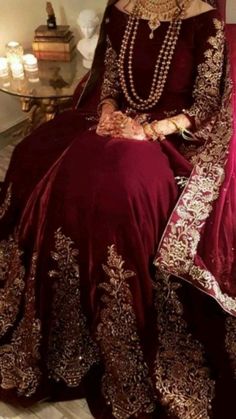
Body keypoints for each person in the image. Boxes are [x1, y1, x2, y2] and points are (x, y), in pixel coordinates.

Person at [0, 0, 235, 418]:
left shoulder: (203, 17)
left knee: (118, 187)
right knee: (32, 155)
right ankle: (57, 325)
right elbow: (106, 80)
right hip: (113, 122)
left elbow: (205, 106)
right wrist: (109, 112)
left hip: (166, 137)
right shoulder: (121, 7)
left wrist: (147, 131)